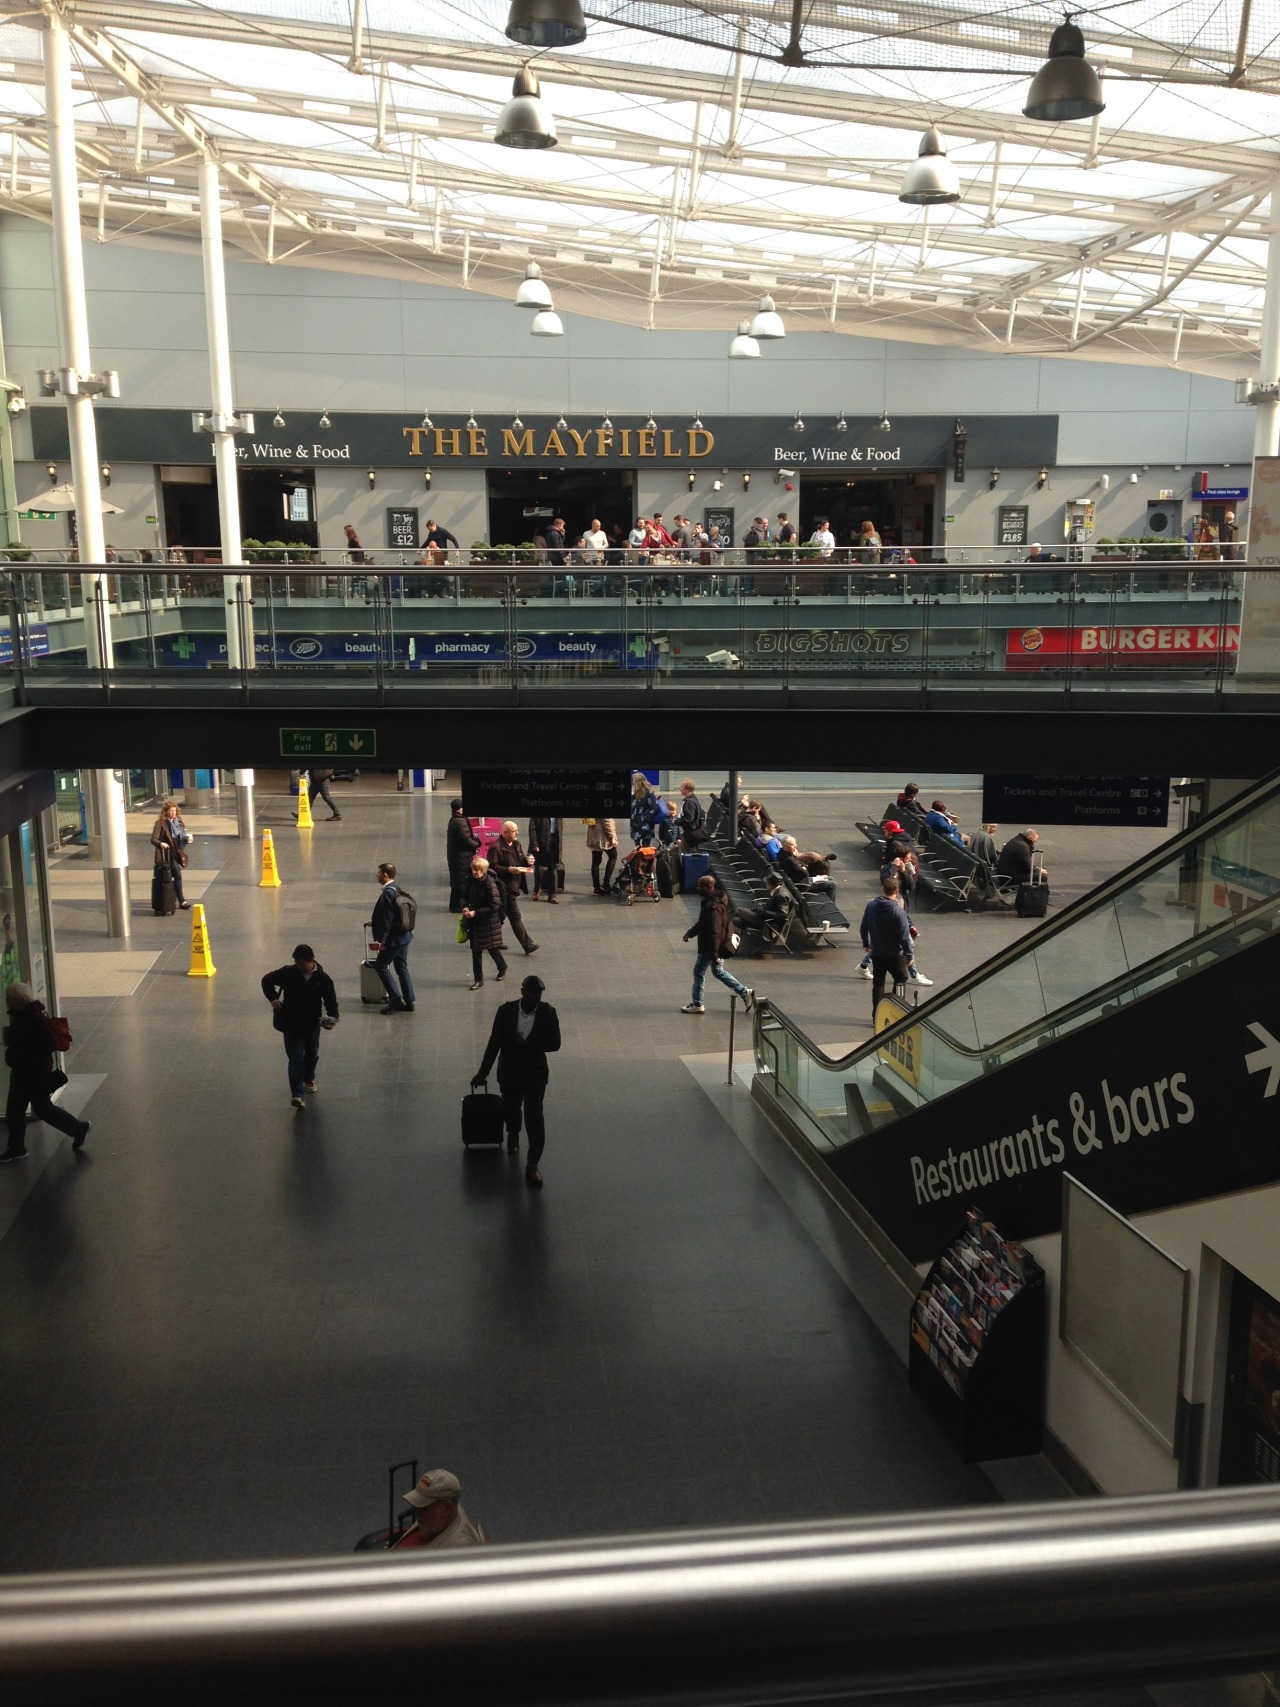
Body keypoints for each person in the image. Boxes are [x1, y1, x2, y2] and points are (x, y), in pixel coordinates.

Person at [473, 973, 561, 1188]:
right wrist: (482, 1073)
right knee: (511, 1108)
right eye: (532, 992)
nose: (536, 997)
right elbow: (494, 1043)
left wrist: (528, 1045)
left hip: (535, 1073)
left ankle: (533, 1163)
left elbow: (555, 1043)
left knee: (535, 1115)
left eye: (539, 993)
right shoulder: (506, 1012)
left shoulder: (549, 1013)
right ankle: (513, 1134)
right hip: (510, 1071)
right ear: (522, 991)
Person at [0, 984, 90, 1162]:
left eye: (7, 998)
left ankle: (18, 1148)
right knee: (33, 1108)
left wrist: (21, 1056)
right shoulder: (26, 1015)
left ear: (15, 1001)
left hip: (30, 1073)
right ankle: (77, 1128)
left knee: (22, 1109)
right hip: (29, 1072)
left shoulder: (31, 1018)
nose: (5, 1001)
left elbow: (47, 1044)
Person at [261, 944, 339, 1109]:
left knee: (312, 1054)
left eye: (302, 963)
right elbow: (266, 980)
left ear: (312, 961)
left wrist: (332, 1019)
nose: (299, 966)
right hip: (291, 1024)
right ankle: (297, 1094)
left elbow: (331, 1001)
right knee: (295, 1059)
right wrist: (273, 998)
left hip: (312, 1025)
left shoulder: (322, 979)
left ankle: (308, 1077)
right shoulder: (289, 973)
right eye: (296, 963)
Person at [681, 874, 754, 1015]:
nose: (697, 888)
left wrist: (714, 953)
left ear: (709, 887)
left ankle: (697, 1003)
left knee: (698, 972)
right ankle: (745, 992)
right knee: (718, 972)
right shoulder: (714, 900)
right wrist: (691, 932)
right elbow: (703, 923)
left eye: (700, 886)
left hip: (710, 947)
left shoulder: (712, 907)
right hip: (717, 946)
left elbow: (714, 932)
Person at [859, 877, 914, 1016]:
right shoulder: (898, 912)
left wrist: (866, 943)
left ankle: (877, 1014)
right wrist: (909, 955)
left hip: (877, 953)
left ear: (883, 889)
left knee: (878, 984)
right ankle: (898, 1008)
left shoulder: (871, 906)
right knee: (901, 979)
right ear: (897, 891)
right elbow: (904, 937)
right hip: (895, 955)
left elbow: (863, 927)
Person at [392, 1469, 485, 1550]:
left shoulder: (456, 1552)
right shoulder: (449, 1513)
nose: (416, 1511)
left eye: (424, 1506)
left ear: (447, 1508)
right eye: (416, 1505)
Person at [369, 862, 415, 1014]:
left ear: (385, 875)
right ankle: (409, 1000)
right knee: (401, 967)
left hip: (393, 939)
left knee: (381, 966)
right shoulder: (396, 887)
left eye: (378, 873)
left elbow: (388, 918)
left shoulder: (388, 893)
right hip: (404, 936)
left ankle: (395, 999)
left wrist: (380, 939)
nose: (377, 875)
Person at [489, 822, 540, 953]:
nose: (517, 833)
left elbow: (520, 860)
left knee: (499, 915)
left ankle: (493, 941)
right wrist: (508, 870)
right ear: (505, 832)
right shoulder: (496, 848)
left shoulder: (517, 845)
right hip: (503, 887)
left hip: (513, 885)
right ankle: (527, 944)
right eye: (513, 831)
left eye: (516, 830)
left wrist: (528, 862)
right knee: (515, 916)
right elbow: (492, 867)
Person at [462, 856, 508, 990]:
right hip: (475, 923)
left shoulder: (490, 885)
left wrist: (475, 912)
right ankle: (478, 979)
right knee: (476, 951)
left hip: (488, 923)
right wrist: (465, 907)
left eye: (478, 870)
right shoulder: (471, 881)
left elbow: (494, 906)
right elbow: (464, 896)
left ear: (484, 871)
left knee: (492, 948)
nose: (475, 872)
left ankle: (502, 967)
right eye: (473, 870)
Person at [151, 799, 192, 911]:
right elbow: (153, 839)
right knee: (175, 876)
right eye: (171, 811)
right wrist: (161, 843)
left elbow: (182, 835)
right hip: (166, 855)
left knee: (174, 877)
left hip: (176, 853)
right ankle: (181, 900)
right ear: (165, 812)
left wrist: (187, 839)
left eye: (174, 811)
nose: (173, 813)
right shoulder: (160, 823)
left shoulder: (178, 822)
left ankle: (176, 899)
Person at [732, 872, 791, 938]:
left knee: (738, 910)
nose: (766, 884)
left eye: (767, 883)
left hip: (766, 923)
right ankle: (740, 938)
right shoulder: (777, 891)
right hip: (762, 916)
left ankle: (728, 936)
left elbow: (783, 915)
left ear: (772, 884)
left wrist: (763, 912)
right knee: (736, 920)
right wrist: (760, 907)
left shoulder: (781, 895)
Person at [446, 798, 480, 912]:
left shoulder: (456, 819)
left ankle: (455, 905)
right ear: (460, 809)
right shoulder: (459, 822)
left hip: (457, 856)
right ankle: (458, 906)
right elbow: (466, 839)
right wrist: (477, 844)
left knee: (457, 881)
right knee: (461, 882)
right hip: (461, 858)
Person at [528, 815, 561, 902]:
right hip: (541, 841)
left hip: (553, 842)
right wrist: (534, 844)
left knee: (553, 868)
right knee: (539, 868)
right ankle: (537, 890)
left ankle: (552, 894)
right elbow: (532, 828)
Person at [586, 816, 618, 896]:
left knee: (596, 861)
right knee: (613, 856)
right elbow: (606, 820)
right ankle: (606, 884)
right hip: (602, 833)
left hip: (593, 830)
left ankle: (596, 888)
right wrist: (611, 837)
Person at [630, 774, 665, 847]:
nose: (632, 783)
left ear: (638, 782)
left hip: (645, 827)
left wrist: (645, 818)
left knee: (646, 849)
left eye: (633, 781)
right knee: (637, 849)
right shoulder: (634, 796)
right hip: (635, 827)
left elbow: (655, 809)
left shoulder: (648, 794)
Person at [677, 779, 706, 846]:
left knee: (687, 852)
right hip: (690, 833)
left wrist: (676, 821)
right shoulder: (692, 799)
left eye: (682, 787)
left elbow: (689, 818)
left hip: (690, 834)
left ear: (687, 789)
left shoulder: (690, 802)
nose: (680, 789)